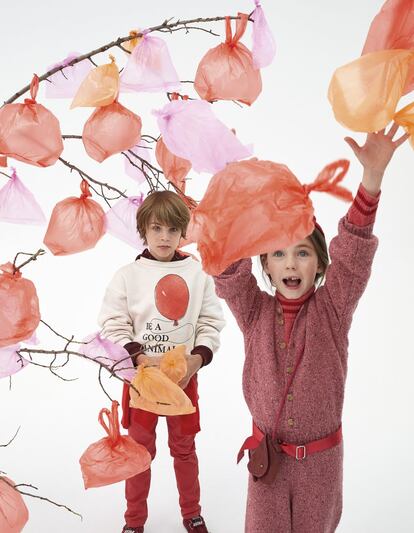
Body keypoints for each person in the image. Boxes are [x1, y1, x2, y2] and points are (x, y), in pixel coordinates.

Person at [213, 124, 408, 533]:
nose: (290, 264)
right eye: (278, 254)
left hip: (321, 466)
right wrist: (226, 203)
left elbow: (353, 252)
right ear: (263, 264)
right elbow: (227, 267)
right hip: (267, 462)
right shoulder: (254, 313)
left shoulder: (333, 310)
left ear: (320, 263)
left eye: (302, 252)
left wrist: (371, 181)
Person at [98, 191, 225, 533]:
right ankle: (134, 521)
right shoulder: (128, 275)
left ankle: (192, 514)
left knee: (184, 450)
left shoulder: (198, 274)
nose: (164, 236)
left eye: (172, 229)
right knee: (139, 452)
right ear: (143, 230)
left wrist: (196, 361)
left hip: (183, 381)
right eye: (156, 228)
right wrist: (138, 358)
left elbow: (211, 323)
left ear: (183, 231)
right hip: (142, 382)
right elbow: (112, 322)